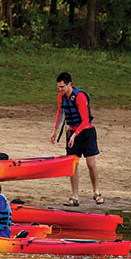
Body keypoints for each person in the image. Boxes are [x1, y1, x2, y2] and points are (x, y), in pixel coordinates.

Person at [49, 71, 104, 206]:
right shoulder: (61, 97)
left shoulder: (79, 97)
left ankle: (96, 192)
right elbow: (60, 112)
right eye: (59, 88)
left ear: (69, 84)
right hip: (72, 134)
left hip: (86, 133)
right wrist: (55, 131)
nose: (60, 90)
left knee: (91, 164)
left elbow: (85, 120)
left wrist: (74, 134)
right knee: (73, 165)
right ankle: (75, 197)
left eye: (62, 87)